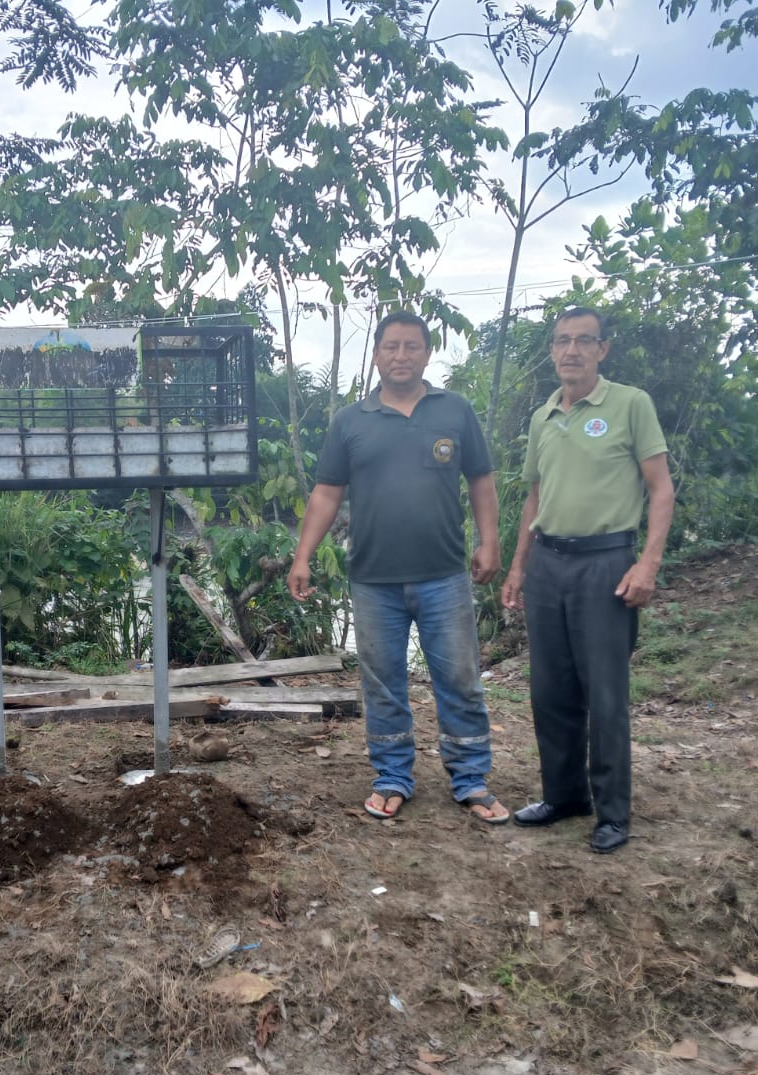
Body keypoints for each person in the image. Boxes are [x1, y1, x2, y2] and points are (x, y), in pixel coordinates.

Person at [288, 310, 506, 825]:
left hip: (444, 575)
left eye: (412, 346)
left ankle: (471, 778)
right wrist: (302, 556)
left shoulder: (455, 410)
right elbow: (326, 493)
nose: (401, 355)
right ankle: (392, 777)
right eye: (391, 346)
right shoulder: (351, 421)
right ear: (376, 355)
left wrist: (490, 541)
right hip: (373, 580)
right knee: (383, 683)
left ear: (428, 354)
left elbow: (481, 480)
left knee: (460, 679)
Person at [500, 307, 675, 854]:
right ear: (552, 350)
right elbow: (535, 496)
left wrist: (647, 564)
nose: (571, 351)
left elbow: (661, 489)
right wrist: (519, 566)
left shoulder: (629, 404)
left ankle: (613, 811)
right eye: (561, 341)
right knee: (550, 688)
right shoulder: (543, 416)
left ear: (603, 349)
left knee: (605, 692)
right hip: (548, 563)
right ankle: (564, 795)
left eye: (583, 341)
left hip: (605, 563)